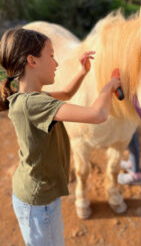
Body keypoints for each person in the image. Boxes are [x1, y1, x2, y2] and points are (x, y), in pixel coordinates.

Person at [0, 27, 121, 246]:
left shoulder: (29, 98)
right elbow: (98, 114)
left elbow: (65, 94)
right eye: (52, 56)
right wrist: (109, 87)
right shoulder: (34, 104)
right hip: (38, 201)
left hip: (40, 196)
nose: (56, 63)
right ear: (32, 61)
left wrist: (82, 72)